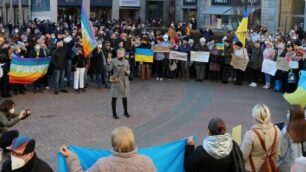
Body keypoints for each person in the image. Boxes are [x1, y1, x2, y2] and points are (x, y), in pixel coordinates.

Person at [60, 126, 157, 172]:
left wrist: (71, 156)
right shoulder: (146, 161)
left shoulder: (103, 164)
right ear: (133, 142)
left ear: (113, 143)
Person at [240, 104, 281, 172]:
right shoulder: (276, 130)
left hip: (252, 168)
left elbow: (243, 156)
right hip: (269, 168)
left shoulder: (251, 135)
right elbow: (277, 153)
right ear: (268, 116)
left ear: (255, 118)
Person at [278, 105, 306, 172]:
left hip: (288, 165)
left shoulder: (286, 130)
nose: (287, 112)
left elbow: (281, 153)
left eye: (288, 111)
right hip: (302, 164)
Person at [108, 48, 131, 119]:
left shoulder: (126, 61)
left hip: (124, 81)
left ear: (123, 54)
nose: (119, 55)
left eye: (120, 53)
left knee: (125, 97)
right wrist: (109, 63)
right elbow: (109, 69)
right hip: (116, 80)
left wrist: (127, 72)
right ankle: (114, 113)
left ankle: (125, 112)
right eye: (118, 53)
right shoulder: (113, 60)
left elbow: (128, 71)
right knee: (114, 98)